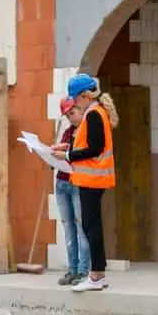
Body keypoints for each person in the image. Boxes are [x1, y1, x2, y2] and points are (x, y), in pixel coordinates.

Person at [52, 73, 118, 293]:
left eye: (75, 98)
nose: (74, 102)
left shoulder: (93, 115)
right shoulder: (95, 112)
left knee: (91, 227)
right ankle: (97, 273)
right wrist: (67, 149)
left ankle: (96, 275)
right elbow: (90, 145)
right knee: (91, 226)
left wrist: (68, 156)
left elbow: (95, 148)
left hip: (93, 178)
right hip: (92, 178)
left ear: (83, 95)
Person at [53, 98, 90, 286]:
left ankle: (84, 271)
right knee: (68, 228)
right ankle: (72, 269)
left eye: (72, 113)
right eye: (67, 116)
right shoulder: (68, 132)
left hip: (78, 182)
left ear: (80, 109)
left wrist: (67, 152)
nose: (70, 118)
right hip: (62, 181)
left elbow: (85, 155)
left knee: (82, 227)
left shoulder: (87, 130)